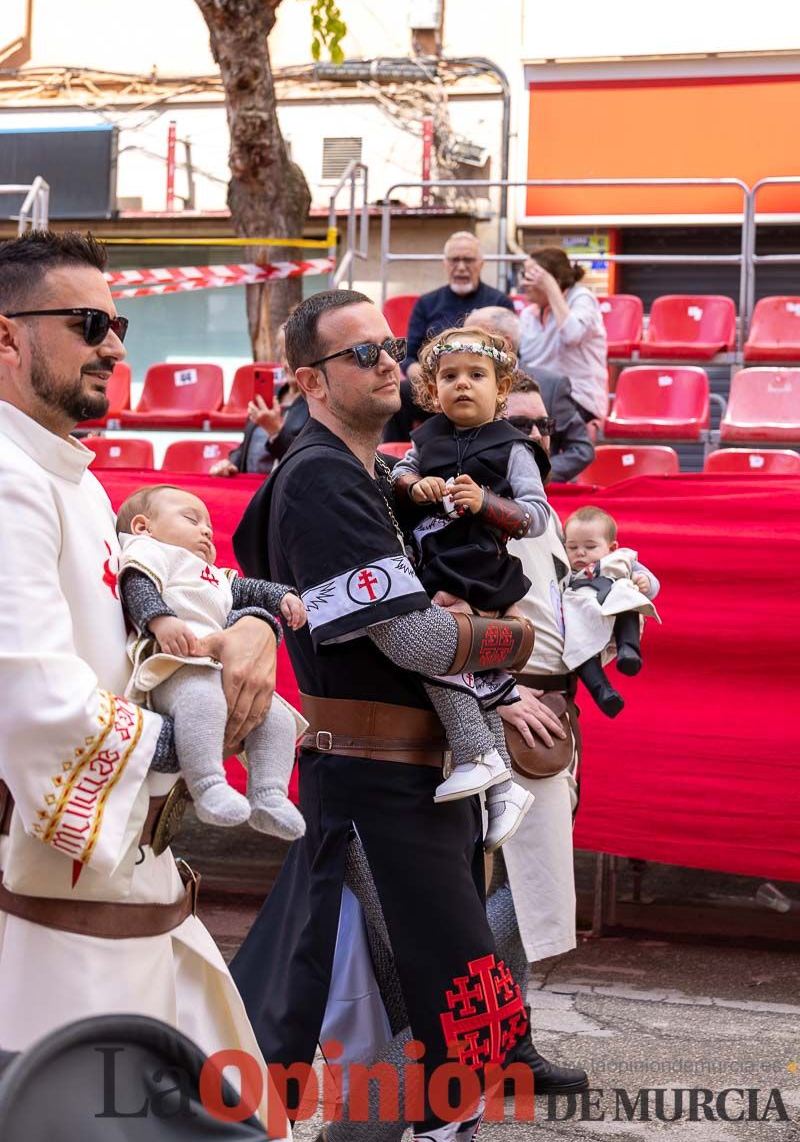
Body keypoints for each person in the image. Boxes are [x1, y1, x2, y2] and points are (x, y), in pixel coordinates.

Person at [230, 289, 537, 1142]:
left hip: (401, 783)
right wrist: (508, 642)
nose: (389, 361)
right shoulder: (324, 477)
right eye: (362, 353)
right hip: (377, 787)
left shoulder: (359, 470)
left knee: (415, 1011)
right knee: (425, 1015)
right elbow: (409, 638)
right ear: (309, 382)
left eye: (391, 344)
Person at [0, 232, 286, 1133]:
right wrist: (212, 739)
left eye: (117, 323)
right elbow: (31, 699)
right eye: (89, 324)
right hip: (55, 915)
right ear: (7, 340)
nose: (117, 347)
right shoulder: (8, 481)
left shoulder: (68, 477)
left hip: (128, 886)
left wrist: (248, 628)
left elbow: (150, 610)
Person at [390, 326, 550, 850]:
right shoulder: (423, 440)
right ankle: (500, 786)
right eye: (449, 376)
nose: (463, 385)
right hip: (428, 559)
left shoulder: (514, 448)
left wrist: (487, 505)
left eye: (477, 376)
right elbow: (400, 478)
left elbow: (539, 517)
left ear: (500, 390)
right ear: (432, 389)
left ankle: (481, 761)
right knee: (457, 669)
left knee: (433, 645)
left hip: (477, 566)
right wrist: (416, 486)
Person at [116, 483, 308, 837]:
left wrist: (282, 597)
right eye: (191, 519)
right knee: (200, 700)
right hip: (174, 662)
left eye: (207, 523)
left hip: (217, 664)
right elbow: (136, 581)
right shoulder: (150, 550)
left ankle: (269, 795)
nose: (206, 529)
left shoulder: (212, 574)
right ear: (144, 526)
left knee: (276, 716)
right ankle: (207, 786)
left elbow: (247, 589)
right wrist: (160, 619)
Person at [384, 232, 514, 442]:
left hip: (482, 384)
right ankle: (395, 456)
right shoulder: (426, 303)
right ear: (445, 264)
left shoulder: (499, 302)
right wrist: (417, 371)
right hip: (435, 384)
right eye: (455, 260)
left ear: (481, 264)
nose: (461, 267)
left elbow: (509, 353)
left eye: (468, 260)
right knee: (398, 392)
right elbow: (408, 355)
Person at [464, 305, 595, 482]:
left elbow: (581, 449)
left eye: (474, 340)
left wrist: (536, 474)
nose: (463, 347)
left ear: (506, 343)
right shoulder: (462, 386)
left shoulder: (551, 385)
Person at [562, 506, 660, 718]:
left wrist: (644, 582)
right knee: (576, 647)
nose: (580, 552)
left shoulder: (621, 560)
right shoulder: (566, 573)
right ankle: (602, 692)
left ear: (612, 547)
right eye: (572, 547)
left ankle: (629, 650)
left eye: (590, 546)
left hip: (615, 609)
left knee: (626, 593)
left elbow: (653, 586)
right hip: (584, 620)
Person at [517, 247, 608, 424]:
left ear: (555, 280)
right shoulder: (528, 314)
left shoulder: (582, 298)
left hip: (579, 399)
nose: (523, 283)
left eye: (530, 277)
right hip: (540, 397)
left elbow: (572, 334)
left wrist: (551, 288)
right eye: (523, 275)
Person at [210, 371, 309, 477]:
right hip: (249, 486)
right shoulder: (270, 394)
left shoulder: (315, 407)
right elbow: (246, 446)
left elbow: (306, 460)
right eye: (285, 356)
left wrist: (276, 432)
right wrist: (230, 464)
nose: (288, 364)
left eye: (294, 356)